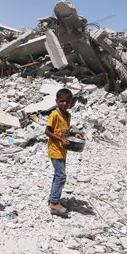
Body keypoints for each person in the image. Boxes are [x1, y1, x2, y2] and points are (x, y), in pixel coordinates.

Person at [44, 88, 83, 217]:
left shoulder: (67, 115)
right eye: (61, 101)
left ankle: (53, 198)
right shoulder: (54, 115)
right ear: (56, 101)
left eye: (67, 102)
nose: (64, 104)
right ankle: (54, 203)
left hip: (63, 150)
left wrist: (74, 134)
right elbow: (48, 132)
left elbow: (65, 131)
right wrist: (61, 139)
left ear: (70, 102)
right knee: (61, 176)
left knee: (58, 175)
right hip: (55, 149)